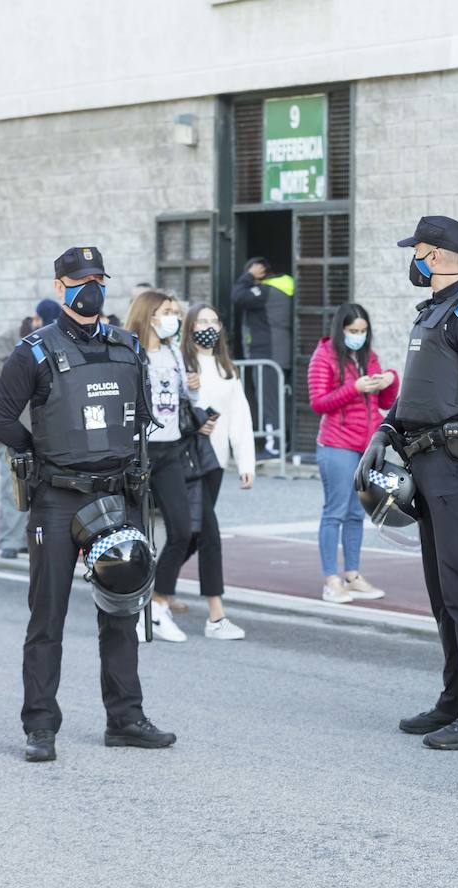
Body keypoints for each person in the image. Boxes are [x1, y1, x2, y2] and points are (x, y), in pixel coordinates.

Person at [0, 246, 175, 763]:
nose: (90, 287)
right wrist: (37, 454)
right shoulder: (34, 351)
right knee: (47, 616)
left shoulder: (126, 346)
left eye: (97, 278)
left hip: (117, 496)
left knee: (122, 609)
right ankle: (41, 726)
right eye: (79, 279)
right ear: (59, 287)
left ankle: (126, 718)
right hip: (57, 500)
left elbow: (139, 420)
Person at [356, 215, 458, 751]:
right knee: (443, 591)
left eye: (418, 251)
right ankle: (455, 699)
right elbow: (421, 390)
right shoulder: (433, 313)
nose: (414, 260)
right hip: (424, 462)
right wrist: (384, 427)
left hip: (455, 466)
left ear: (439, 255)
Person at [309, 302, 398, 604]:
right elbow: (318, 402)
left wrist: (389, 380)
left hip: (364, 447)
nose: (358, 336)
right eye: (352, 331)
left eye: (363, 331)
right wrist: (355, 387)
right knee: (334, 512)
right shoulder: (324, 356)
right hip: (336, 445)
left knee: (355, 514)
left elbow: (385, 402)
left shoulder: (368, 357)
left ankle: (353, 574)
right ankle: (331, 579)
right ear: (340, 330)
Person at [181, 301, 256, 640]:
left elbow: (240, 417)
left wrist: (246, 463)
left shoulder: (227, 368)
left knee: (190, 533)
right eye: (201, 321)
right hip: (186, 461)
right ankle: (216, 615)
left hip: (216, 461)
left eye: (214, 320)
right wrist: (189, 390)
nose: (208, 326)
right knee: (208, 534)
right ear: (190, 327)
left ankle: (152, 588)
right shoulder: (183, 365)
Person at [124, 289, 196, 643]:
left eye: (176, 311)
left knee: (182, 530)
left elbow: (187, 400)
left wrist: (195, 394)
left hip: (171, 450)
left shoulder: (173, 353)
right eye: (168, 310)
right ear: (150, 314)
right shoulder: (129, 354)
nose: (174, 317)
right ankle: (135, 611)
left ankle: (161, 603)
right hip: (138, 451)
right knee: (137, 539)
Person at [0, 300, 61, 559]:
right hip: (12, 426)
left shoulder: (52, 340)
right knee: (12, 486)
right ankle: (10, 540)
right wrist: (24, 368)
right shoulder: (9, 339)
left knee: (41, 488)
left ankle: (33, 540)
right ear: (35, 319)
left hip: (43, 427)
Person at [233, 257, 295, 457]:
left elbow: (238, 297)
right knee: (276, 400)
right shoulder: (284, 287)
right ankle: (278, 443)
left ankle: (274, 446)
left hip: (269, 354)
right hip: (276, 353)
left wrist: (248, 276)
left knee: (270, 402)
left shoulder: (268, 290)